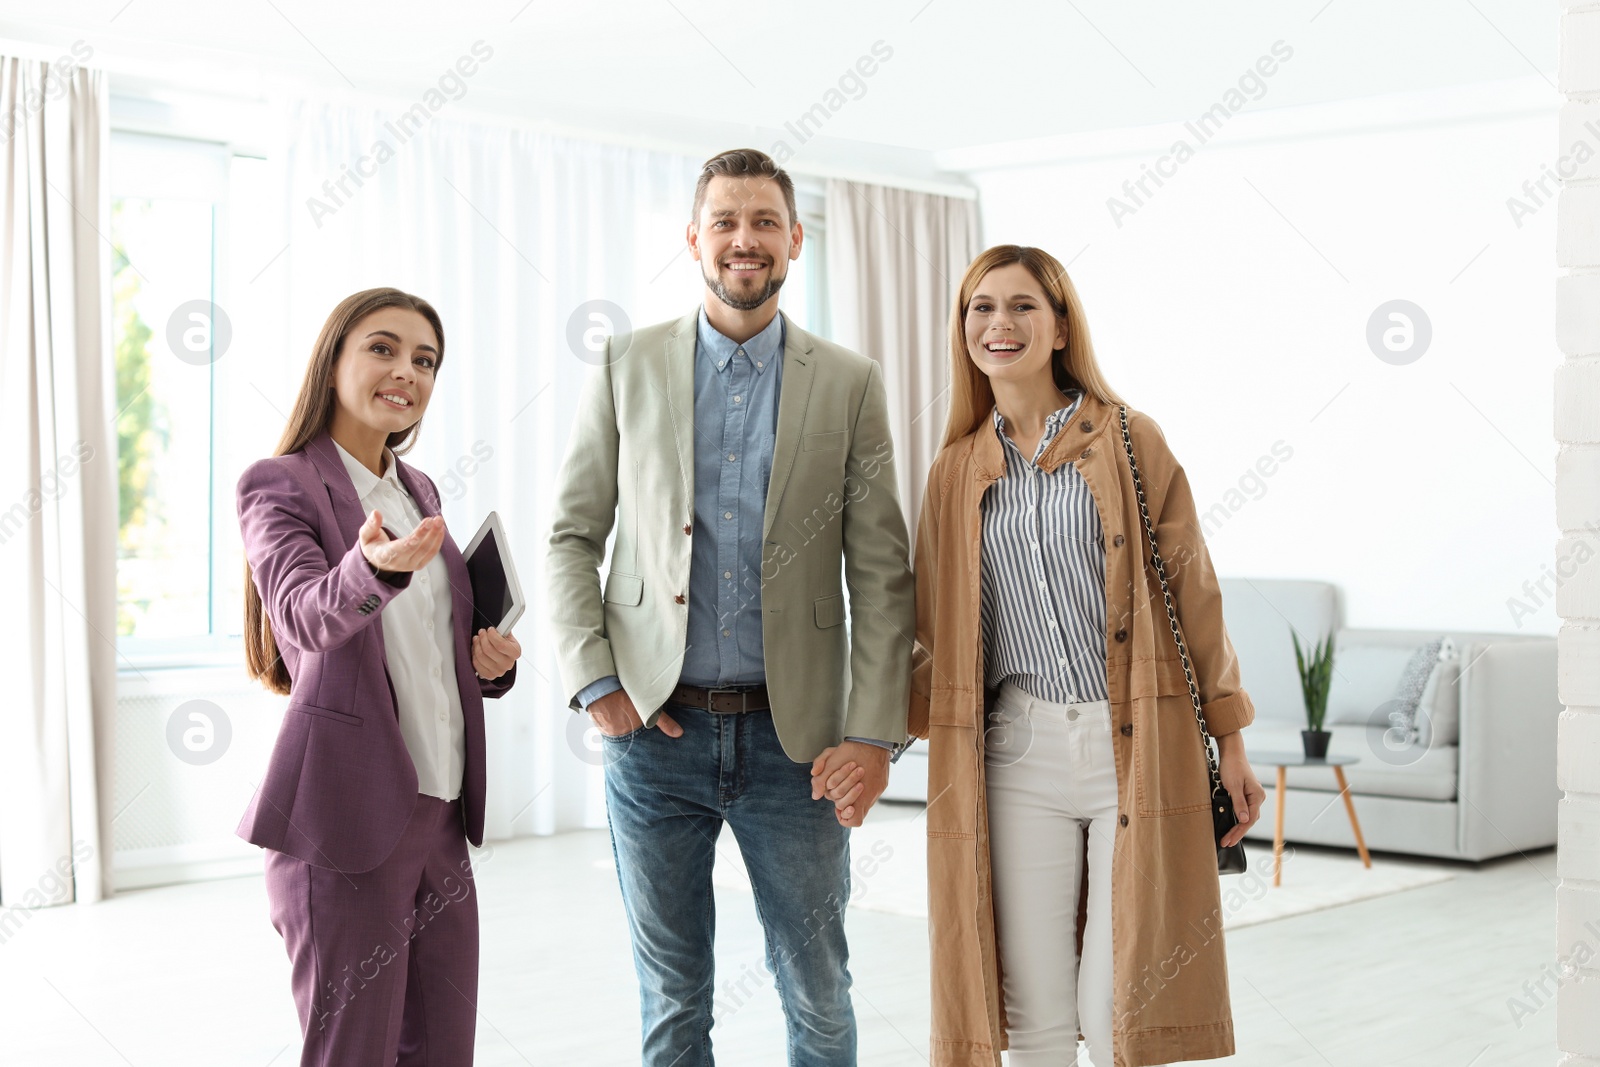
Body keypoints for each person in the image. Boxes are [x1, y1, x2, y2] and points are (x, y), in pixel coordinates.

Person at [546, 147, 914, 1067]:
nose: (743, 240)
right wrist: (595, 680)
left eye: (762, 223)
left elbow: (881, 574)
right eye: (725, 222)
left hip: (801, 747)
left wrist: (872, 736)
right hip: (653, 740)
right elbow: (571, 536)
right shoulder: (625, 362)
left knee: (817, 991)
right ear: (693, 240)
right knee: (672, 997)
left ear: (794, 239)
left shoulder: (850, 381)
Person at [907, 245, 1267, 1067]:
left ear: (1062, 325)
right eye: (981, 308)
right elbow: (932, 632)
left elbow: (1195, 598)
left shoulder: (1132, 440)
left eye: (1023, 306)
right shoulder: (955, 469)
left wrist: (1232, 739)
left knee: (1118, 1013)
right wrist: (863, 736)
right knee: (1029, 1015)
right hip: (1015, 750)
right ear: (963, 329)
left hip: (1133, 744)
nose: (1000, 323)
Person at [238, 287, 522, 1066]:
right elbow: (300, 616)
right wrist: (370, 565)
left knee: (443, 1051)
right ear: (334, 361)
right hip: (345, 825)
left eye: (425, 359)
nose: (407, 371)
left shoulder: (418, 488)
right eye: (384, 348)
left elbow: (428, 649)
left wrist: (485, 664)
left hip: (438, 816)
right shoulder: (280, 482)